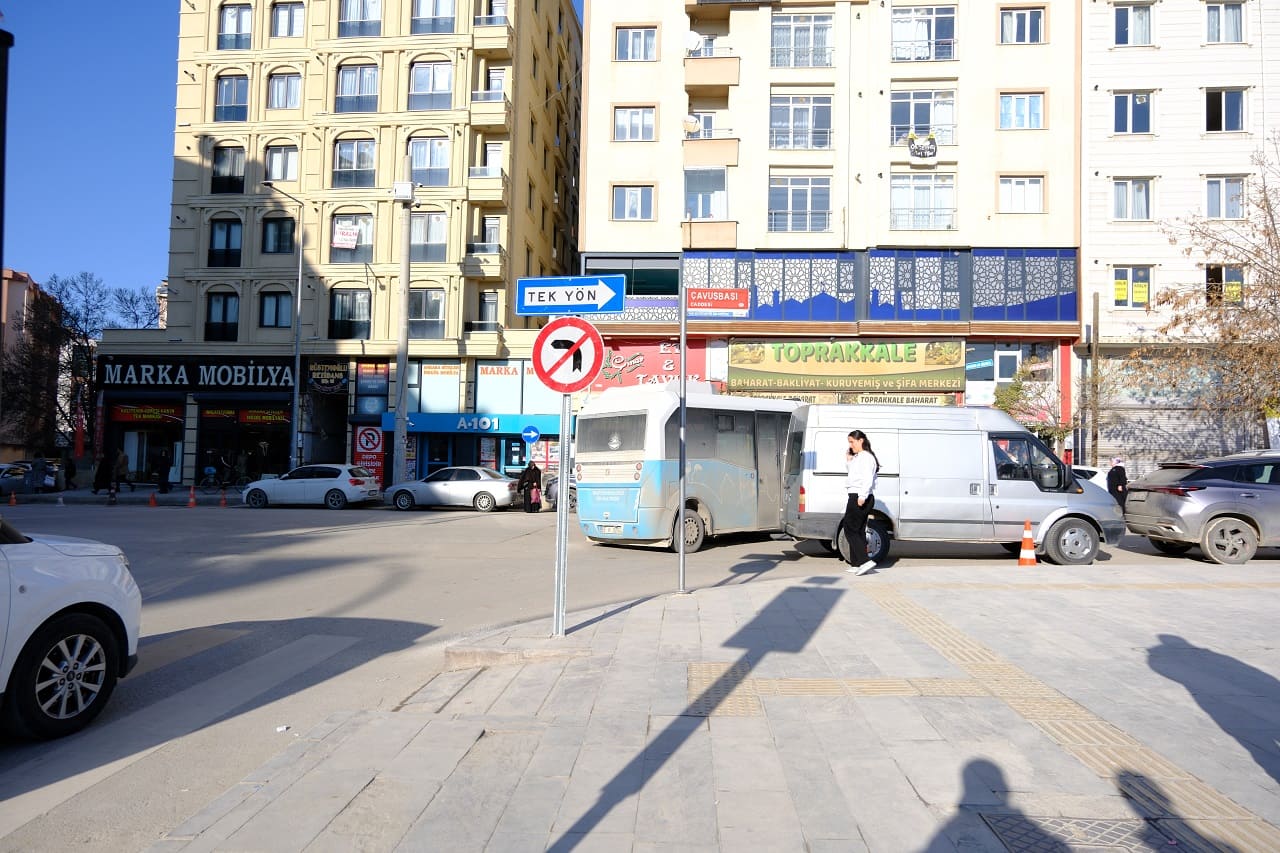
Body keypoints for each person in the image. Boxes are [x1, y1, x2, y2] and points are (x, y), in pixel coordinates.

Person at [842, 429, 880, 576]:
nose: (850, 445)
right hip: (856, 495)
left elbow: (867, 478)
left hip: (860, 496)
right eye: (849, 442)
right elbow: (853, 475)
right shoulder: (858, 457)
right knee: (857, 530)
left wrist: (862, 496)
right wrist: (849, 461)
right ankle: (857, 563)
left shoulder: (866, 457)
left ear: (860, 440)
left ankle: (865, 561)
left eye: (852, 442)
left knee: (849, 528)